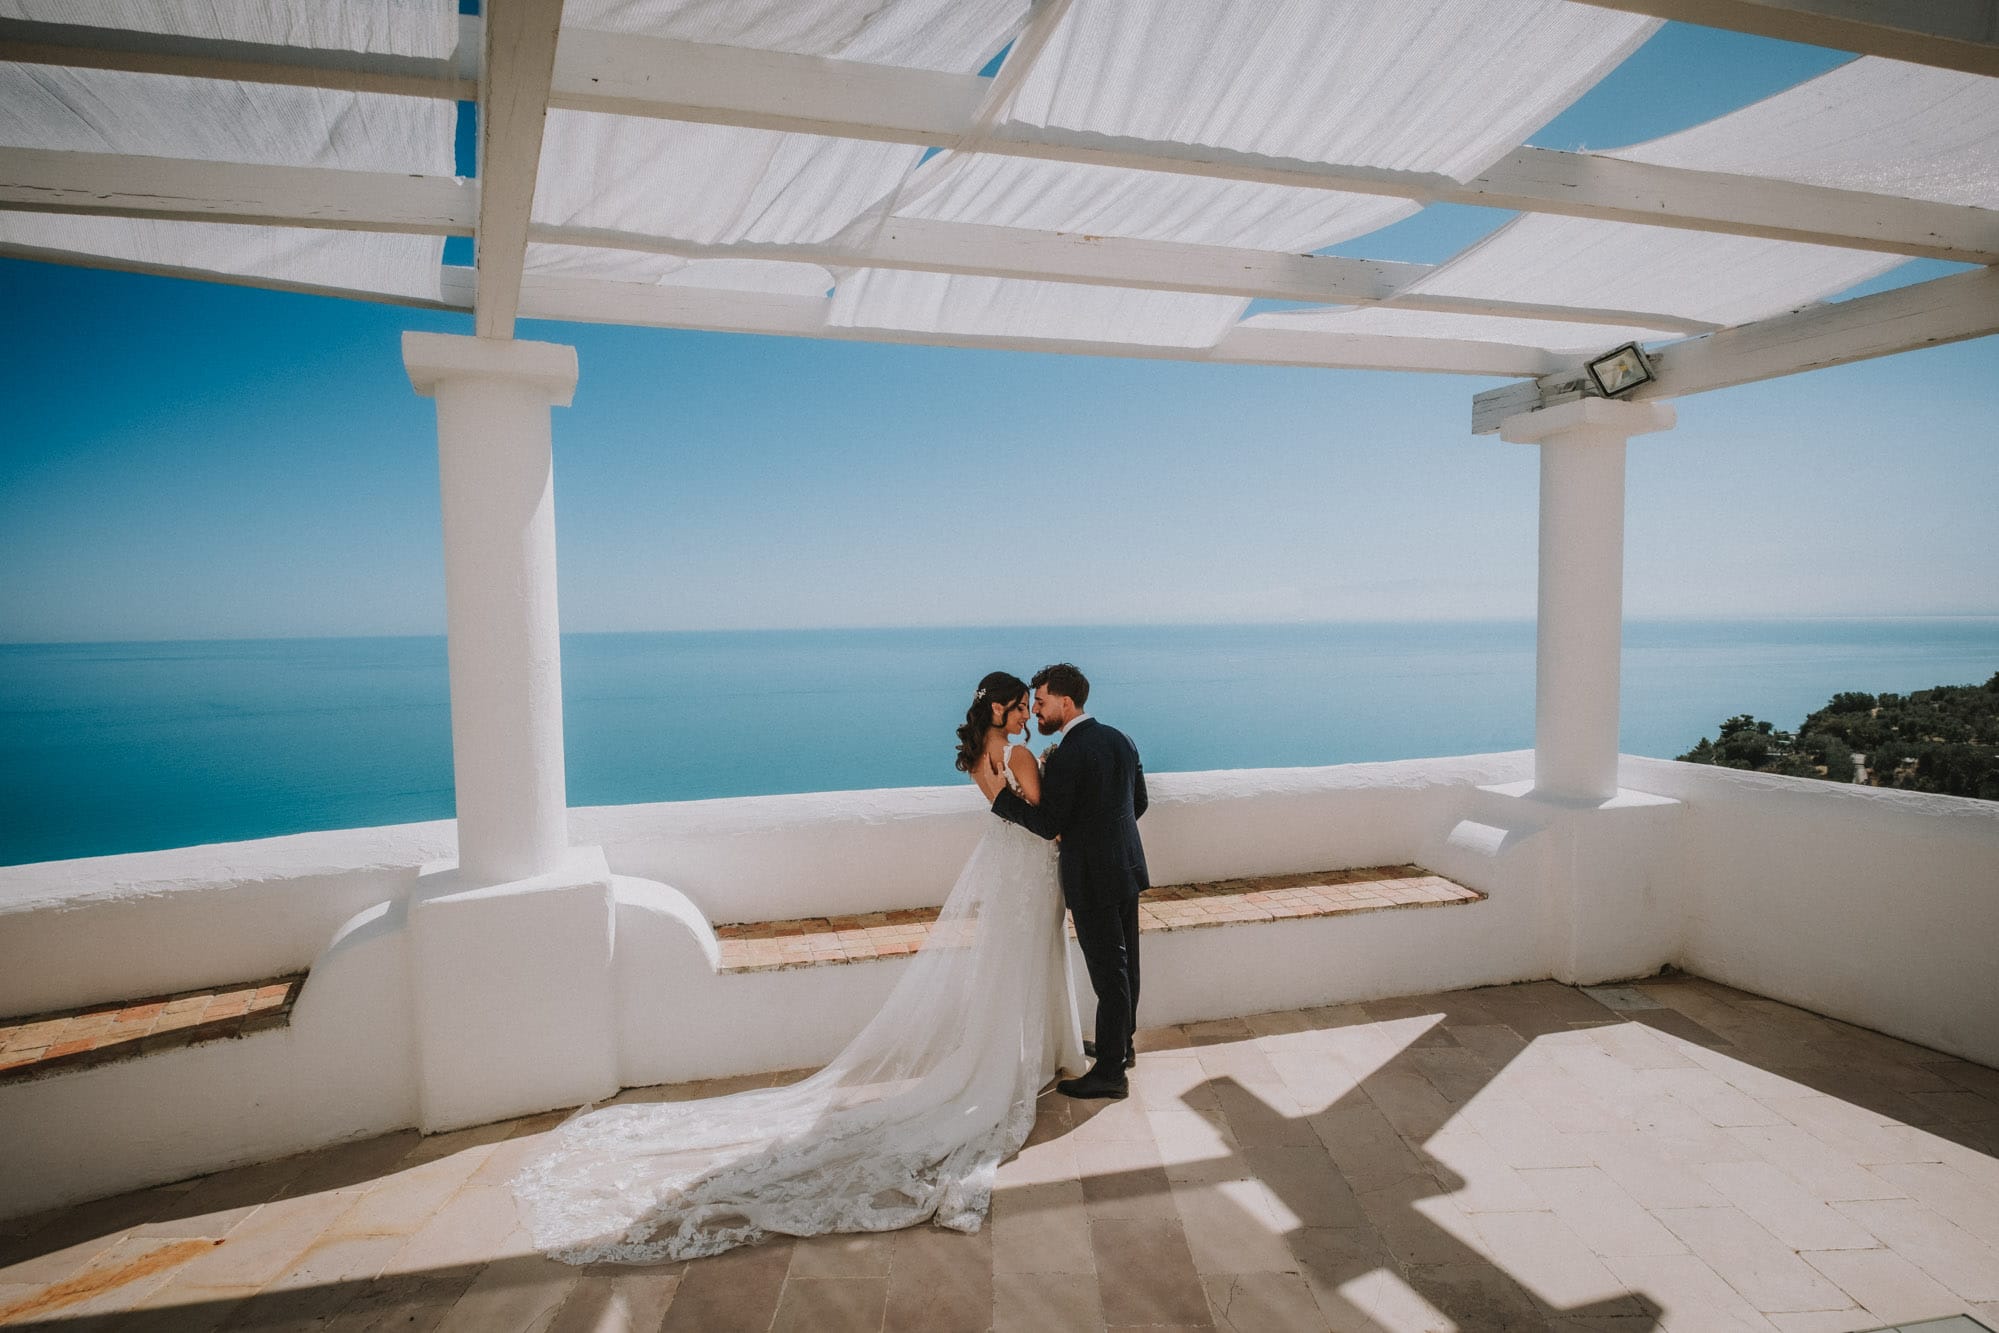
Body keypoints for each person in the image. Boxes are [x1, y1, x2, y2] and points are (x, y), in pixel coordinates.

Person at [511, 671, 1085, 1264]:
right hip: (1029, 870)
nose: (1025, 716)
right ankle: (1037, 1055)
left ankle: (1018, 1053)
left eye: (1028, 707)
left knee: (1006, 967)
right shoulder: (1017, 753)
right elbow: (1044, 815)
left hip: (1005, 868)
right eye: (1020, 707)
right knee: (1026, 960)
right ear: (998, 709)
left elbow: (1004, 810)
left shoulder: (977, 759)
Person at [990, 663, 1149, 1100]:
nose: (1036, 712)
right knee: (1126, 963)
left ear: (1065, 702)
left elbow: (1049, 823)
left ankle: (1112, 1073)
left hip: (1093, 876)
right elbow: (1139, 801)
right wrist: (1106, 837)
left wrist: (1002, 801)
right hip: (1127, 867)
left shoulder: (1070, 753)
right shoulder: (1121, 738)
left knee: (1108, 971)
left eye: (1040, 703)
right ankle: (1123, 1046)